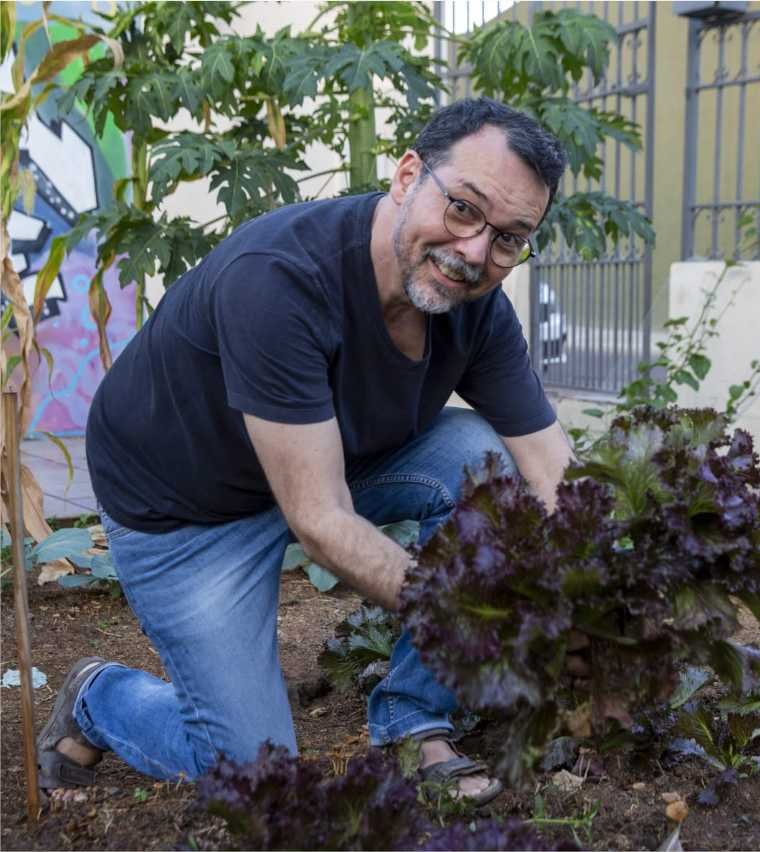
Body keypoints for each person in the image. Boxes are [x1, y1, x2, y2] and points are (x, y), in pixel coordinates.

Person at [36, 98, 574, 806]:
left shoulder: (472, 306)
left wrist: (594, 594)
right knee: (262, 784)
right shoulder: (281, 279)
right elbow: (320, 522)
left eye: (508, 238)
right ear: (408, 175)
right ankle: (100, 698)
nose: (475, 251)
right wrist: (471, 619)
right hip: (186, 516)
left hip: (328, 464)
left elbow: (547, 466)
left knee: (485, 467)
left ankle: (413, 714)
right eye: (464, 209)